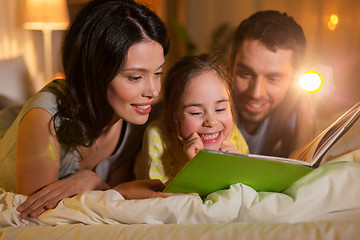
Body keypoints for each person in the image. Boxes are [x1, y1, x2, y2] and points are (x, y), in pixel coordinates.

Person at [0, 0, 178, 219]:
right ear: (95, 73)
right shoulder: (46, 119)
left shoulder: (133, 119)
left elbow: (110, 195)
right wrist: (106, 188)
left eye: (158, 73)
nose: (153, 91)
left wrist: (93, 182)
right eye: (135, 77)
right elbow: (37, 217)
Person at [135, 54, 249, 183]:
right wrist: (195, 166)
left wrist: (237, 167)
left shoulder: (233, 136)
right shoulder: (158, 135)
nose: (211, 122)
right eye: (196, 113)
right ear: (172, 120)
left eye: (220, 109)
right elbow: (157, 193)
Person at [228, 10, 315, 157]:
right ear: (231, 62)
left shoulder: (293, 101)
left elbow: (298, 168)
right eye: (246, 74)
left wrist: (306, 107)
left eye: (273, 79)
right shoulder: (210, 96)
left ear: (294, 76)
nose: (256, 93)